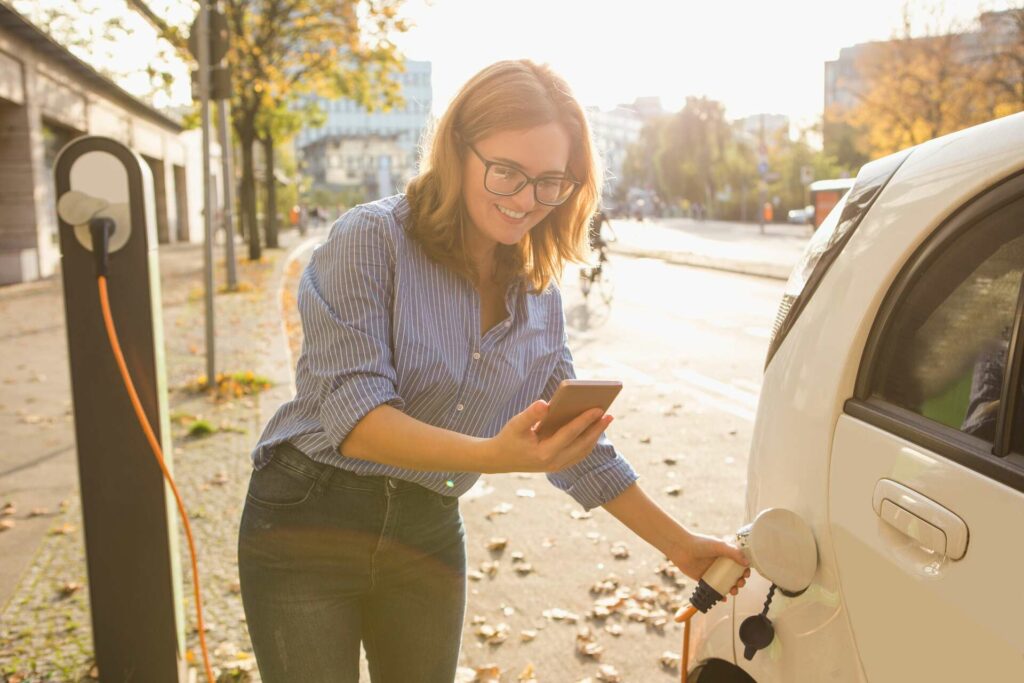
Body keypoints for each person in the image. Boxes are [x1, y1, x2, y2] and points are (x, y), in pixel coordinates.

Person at [237, 59, 748, 682]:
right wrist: (495, 454)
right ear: (457, 150)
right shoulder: (371, 238)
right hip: (308, 515)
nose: (526, 201)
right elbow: (357, 419)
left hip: (425, 525)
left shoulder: (539, 291)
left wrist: (680, 546)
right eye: (506, 172)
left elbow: (578, 447)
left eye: (549, 181)